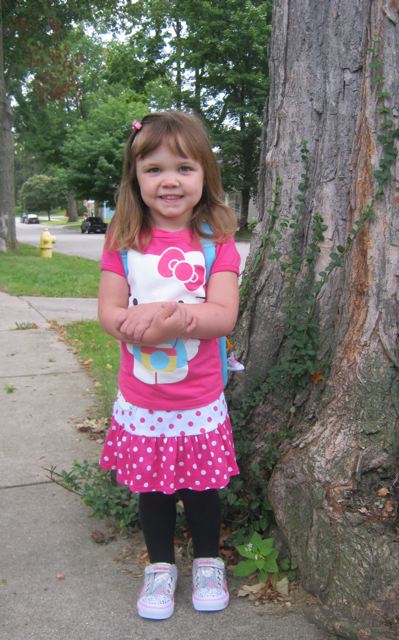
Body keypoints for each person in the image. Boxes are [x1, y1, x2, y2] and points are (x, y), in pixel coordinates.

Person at [97, 111, 241, 620]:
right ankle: (160, 566)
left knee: (202, 490)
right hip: (144, 399)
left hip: (198, 398)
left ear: (204, 174)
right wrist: (136, 326)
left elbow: (222, 315)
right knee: (153, 492)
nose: (170, 181)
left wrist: (177, 319)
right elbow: (109, 312)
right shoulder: (123, 240)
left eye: (184, 167)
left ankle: (207, 561)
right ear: (135, 177)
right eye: (154, 169)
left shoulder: (215, 242)